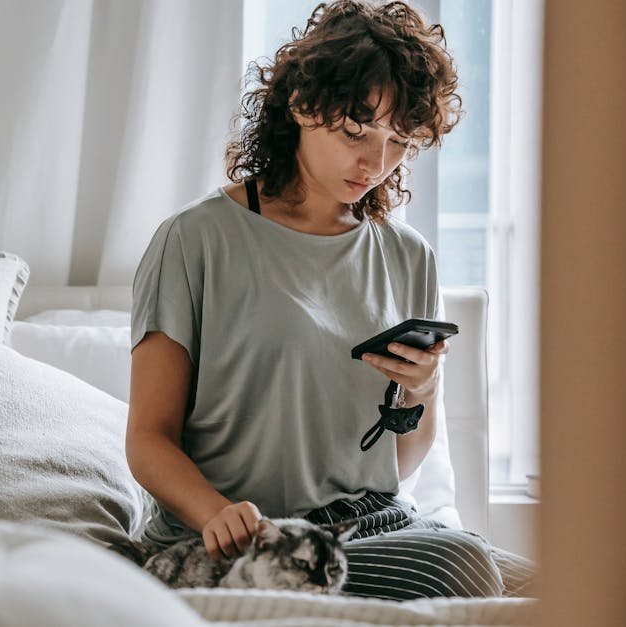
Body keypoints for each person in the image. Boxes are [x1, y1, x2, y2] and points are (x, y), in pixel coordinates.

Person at [126, 0, 534, 600]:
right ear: (301, 104)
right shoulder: (195, 240)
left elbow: (398, 465)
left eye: (399, 141)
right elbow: (147, 439)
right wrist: (216, 513)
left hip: (372, 526)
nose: (377, 162)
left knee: (594, 589)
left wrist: (420, 391)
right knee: (460, 562)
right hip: (236, 540)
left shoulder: (407, 255)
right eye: (356, 131)